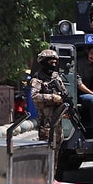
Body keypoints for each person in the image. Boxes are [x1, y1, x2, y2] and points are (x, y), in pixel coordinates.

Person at [30, 49, 67, 177]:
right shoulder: (37, 79)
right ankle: (44, 177)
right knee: (47, 148)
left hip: (57, 120)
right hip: (46, 121)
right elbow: (34, 96)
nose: (54, 63)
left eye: (55, 61)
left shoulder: (56, 76)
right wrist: (52, 98)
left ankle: (53, 176)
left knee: (57, 148)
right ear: (44, 62)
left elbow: (63, 93)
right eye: (51, 61)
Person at [76, 46, 93, 139]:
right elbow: (79, 84)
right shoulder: (79, 63)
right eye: (91, 53)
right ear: (87, 52)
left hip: (89, 91)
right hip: (77, 94)